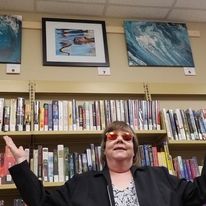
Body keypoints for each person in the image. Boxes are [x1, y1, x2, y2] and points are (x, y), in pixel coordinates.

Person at [3, 120, 206, 206]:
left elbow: (200, 192)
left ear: (134, 148)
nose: (119, 139)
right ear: (104, 148)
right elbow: (42, 203)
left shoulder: (159, 177)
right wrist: (21, 164)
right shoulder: (81, 184)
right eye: (112, 136)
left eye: (127, 137)